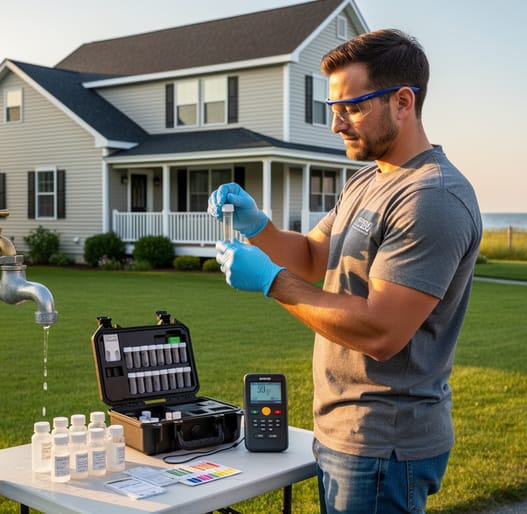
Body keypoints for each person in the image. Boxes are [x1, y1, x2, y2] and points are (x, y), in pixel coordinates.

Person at [208, 29, 481, 513]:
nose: (336, 124)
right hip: (345, 430)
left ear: (403, 101)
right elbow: (314, 257)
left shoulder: (430, 197)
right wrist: (257, 226)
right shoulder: (366, 181)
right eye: (333, 107)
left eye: (352, 107)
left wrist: (272, 281)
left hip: (383, 440)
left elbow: (381, 331)